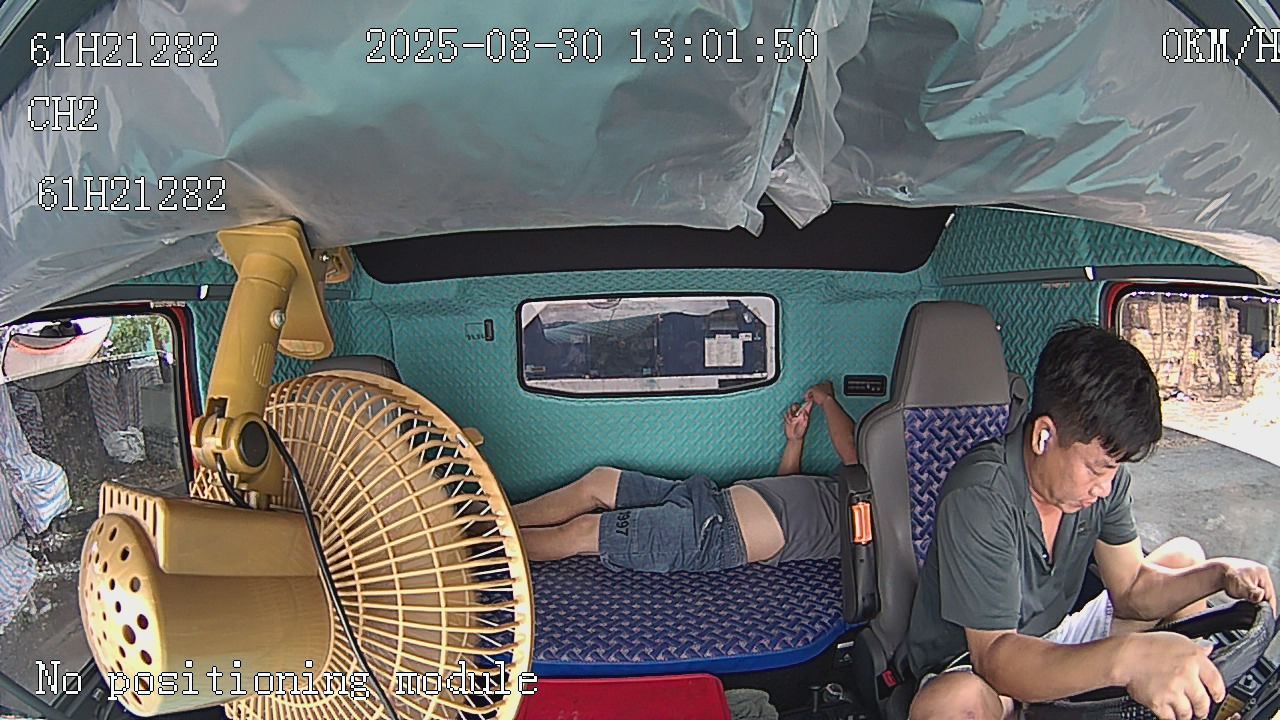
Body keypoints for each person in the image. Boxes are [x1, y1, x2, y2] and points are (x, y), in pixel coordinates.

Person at [906, 324, 1277, 720]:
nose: (1105, 487)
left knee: (1185, 556)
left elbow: (1131, 590)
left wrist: (1219, 574)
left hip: (1056, 638)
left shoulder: (1103, 485)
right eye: (1097, 468)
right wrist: (1127, 658)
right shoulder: (981, 494)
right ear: (1044, 436)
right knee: (954, 703)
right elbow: (995, 657)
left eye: (1114, 469)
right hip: (979, 666)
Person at [512, 380, 859, 572]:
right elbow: (786, 491)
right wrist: (795, 441)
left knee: (582, 530)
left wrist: (827, 400)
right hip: (709, 498)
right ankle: (496, 519)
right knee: (598, 481)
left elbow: (851, 450)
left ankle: (486, 547)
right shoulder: (851, 488)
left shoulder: (874, 502)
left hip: (711, 536)